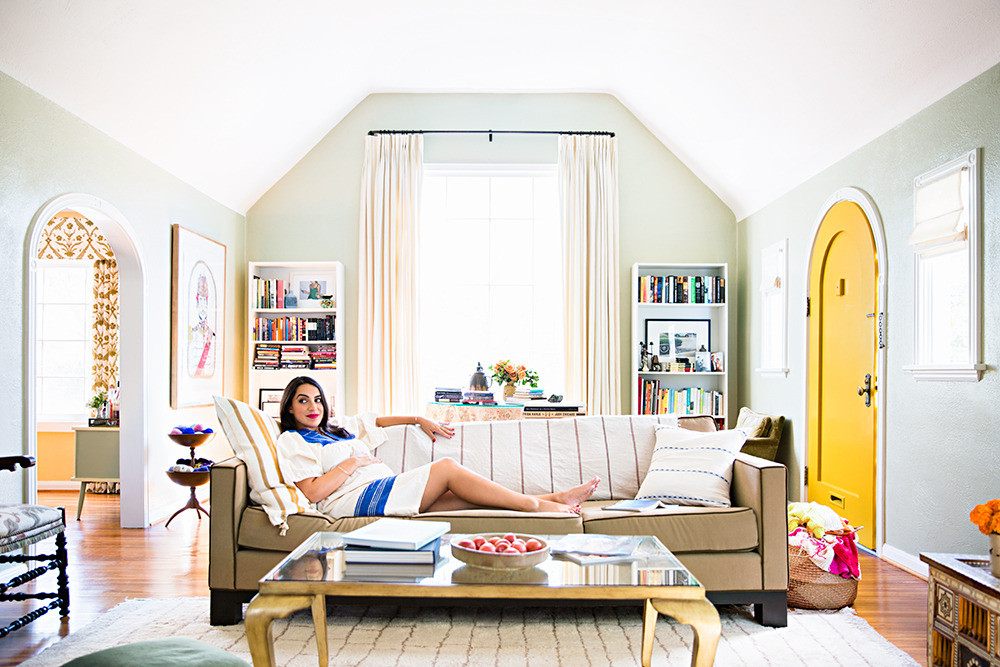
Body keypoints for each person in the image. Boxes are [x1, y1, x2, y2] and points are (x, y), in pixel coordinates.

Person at [274, 376, 600, 520]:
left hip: (382, 488)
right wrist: (353, 463)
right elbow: (312, 492)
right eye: (303, 400)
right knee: (446, 469)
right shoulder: (293, 440)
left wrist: (419, 418)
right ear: (289, 406)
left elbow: (375, 421)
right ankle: (535, 506)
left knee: (466, 497)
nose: (313, 407)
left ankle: (555, 499)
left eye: (318, 399)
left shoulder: (335, 428)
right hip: (353, 500)